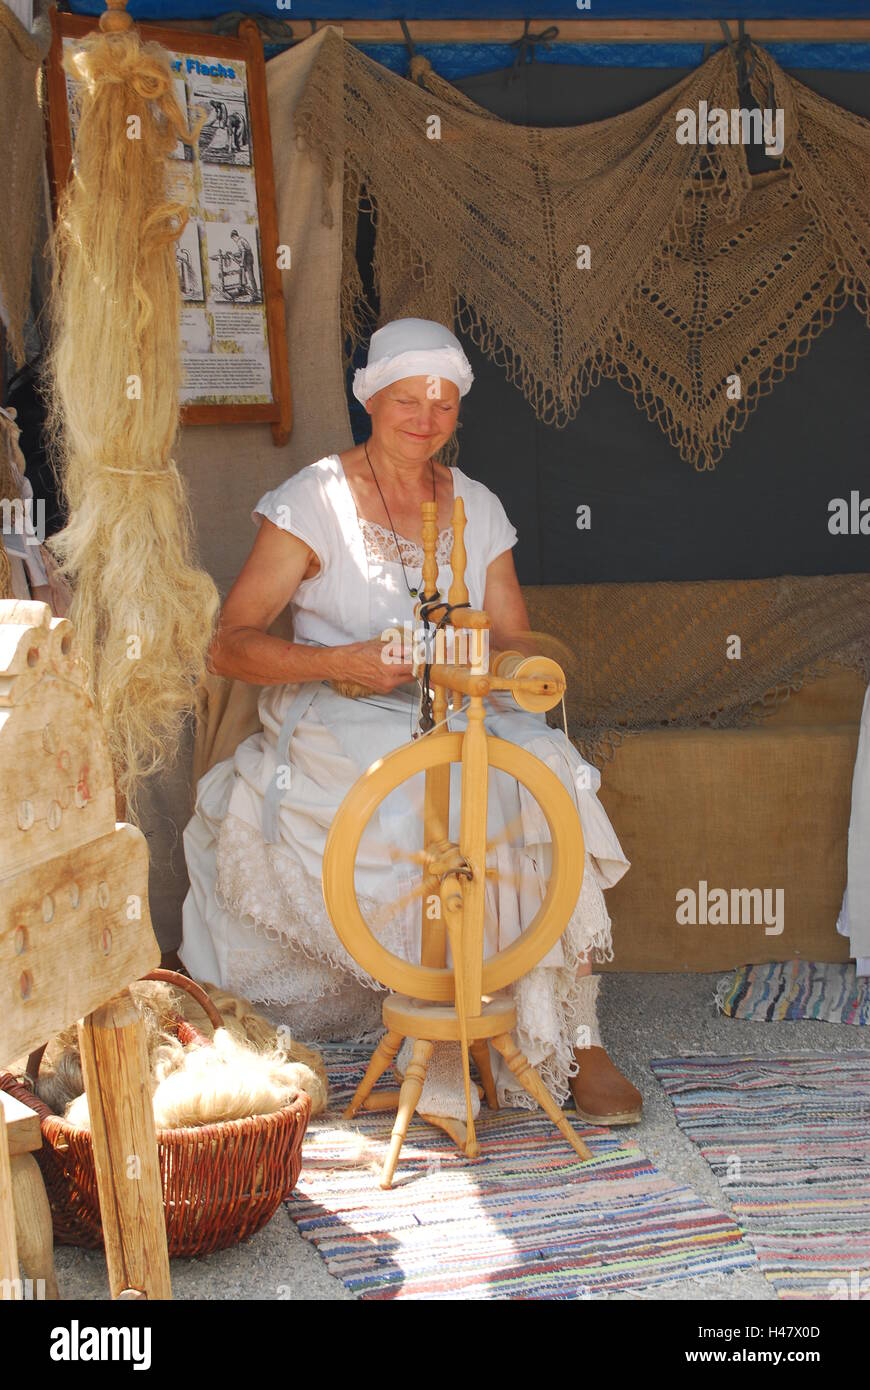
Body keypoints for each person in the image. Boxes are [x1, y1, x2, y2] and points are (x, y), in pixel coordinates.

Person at [180, 317, 641, 1125]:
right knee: (419, 796)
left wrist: (508, 663)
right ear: (371, 400)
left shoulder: (476, 507)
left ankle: (580, 1038)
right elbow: (231, 646)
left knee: (549, 772)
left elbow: (513, 637)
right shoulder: (312, 501)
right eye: (406, 399)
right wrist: (343, 660)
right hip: (342, 705)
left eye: (443, 402)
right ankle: (443, 1019)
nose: (424, 418)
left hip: (459, 699)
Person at [229, 230, 259, 301]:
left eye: (233, 239)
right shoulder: (242, 239)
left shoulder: (239, 241)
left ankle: (255, 294)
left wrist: (242, 262)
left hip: (247, 259)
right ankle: (242, 287)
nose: (233, 240)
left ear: (234, 236)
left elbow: (243, 251)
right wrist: (233, 254)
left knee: (251, 276)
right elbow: (241, 252)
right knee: (241, 271)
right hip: (248, 257)